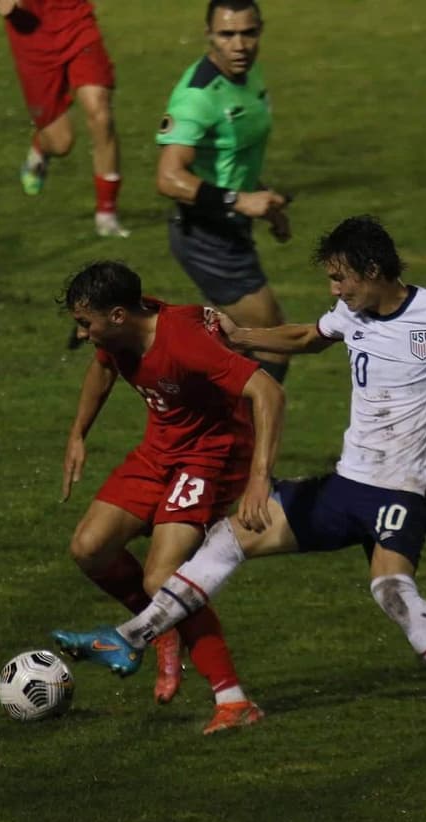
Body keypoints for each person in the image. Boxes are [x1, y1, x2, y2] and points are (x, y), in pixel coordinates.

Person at [54, 215, 426, 740]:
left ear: (372, 272)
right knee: (229, 537)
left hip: (401, 494)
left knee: (392, 593)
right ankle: (130, 637)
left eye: (339, 277)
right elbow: (305, 336)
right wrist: (244, 335)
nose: (333, 288)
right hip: (347, 485)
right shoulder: (351, 314)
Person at [54, 260, 285, 734]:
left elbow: (268, 391)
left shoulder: (183, 342)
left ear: (118, 315)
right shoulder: (118, 337)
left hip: (209, 454)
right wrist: (78, 433)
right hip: (159, 450)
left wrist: (260, 476)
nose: (81, 335)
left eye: (85, 324)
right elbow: (103, 371)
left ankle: (233, 700)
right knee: (89, 548)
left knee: (162, 575)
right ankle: (159, 630)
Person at [154, 0, 291, 383]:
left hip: (231, 225)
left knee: (235, 344)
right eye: (227, 34)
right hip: (205, 234)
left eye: (248, 33)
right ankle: (247, 440)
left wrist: (264, 202)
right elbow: (168, 178)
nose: (239, 45)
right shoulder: (198, 96)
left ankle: (202, 423)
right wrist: (241, 200)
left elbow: (233, 159)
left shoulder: (249, 74)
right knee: (270, 339)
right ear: (208, 35)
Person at [0, 0, 129, 237]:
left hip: (75, 18)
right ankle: (41, 146)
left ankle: (107, 215)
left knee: (99, 109)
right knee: (61, 142)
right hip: (30, 29)